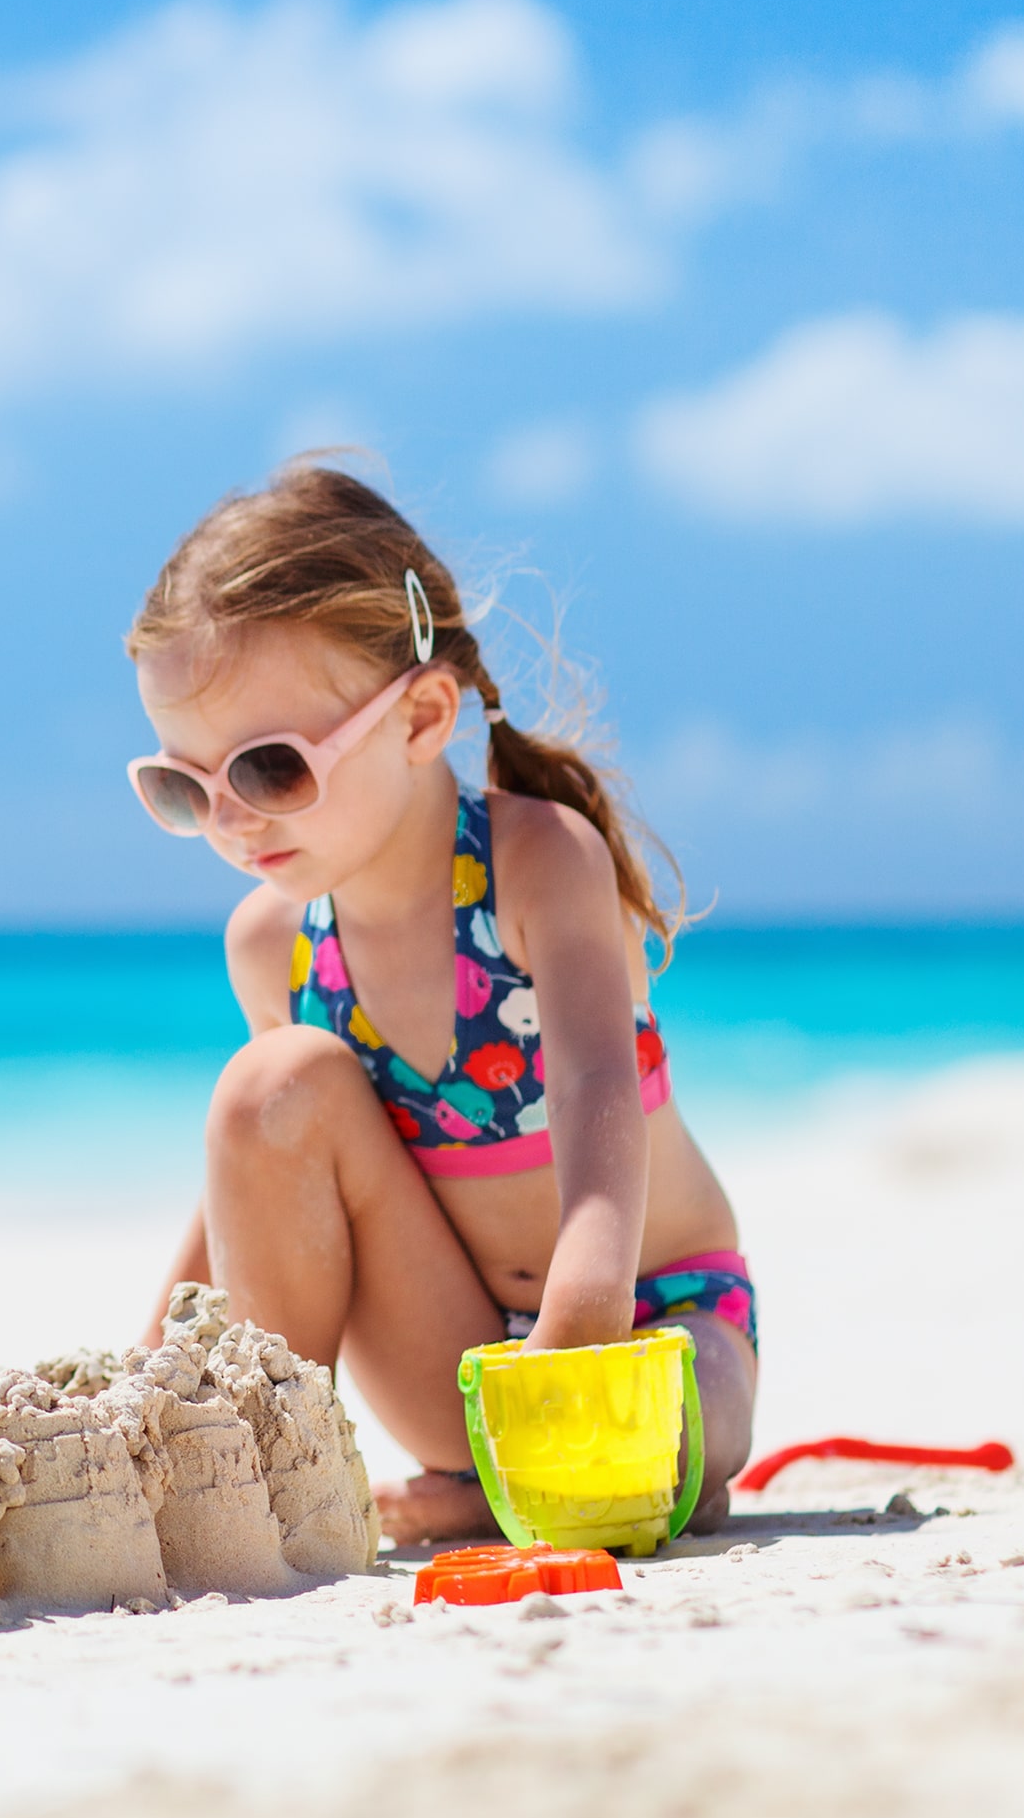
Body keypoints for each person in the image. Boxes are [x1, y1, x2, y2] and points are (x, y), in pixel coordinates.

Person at [125, 464, 753, 1542]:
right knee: (268, 1086)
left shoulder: (536, 866)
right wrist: (142, 1382)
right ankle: (262, 1465)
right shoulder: (275, 944)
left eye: (270, 771)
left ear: (420, 718)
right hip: (457, 1361)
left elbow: (598, 1085)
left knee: (673, 1465)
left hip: (653, 1311)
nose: (231, 820)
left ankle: (522, 1491)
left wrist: (584, 1316)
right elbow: (242, 1179)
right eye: (184, 787)